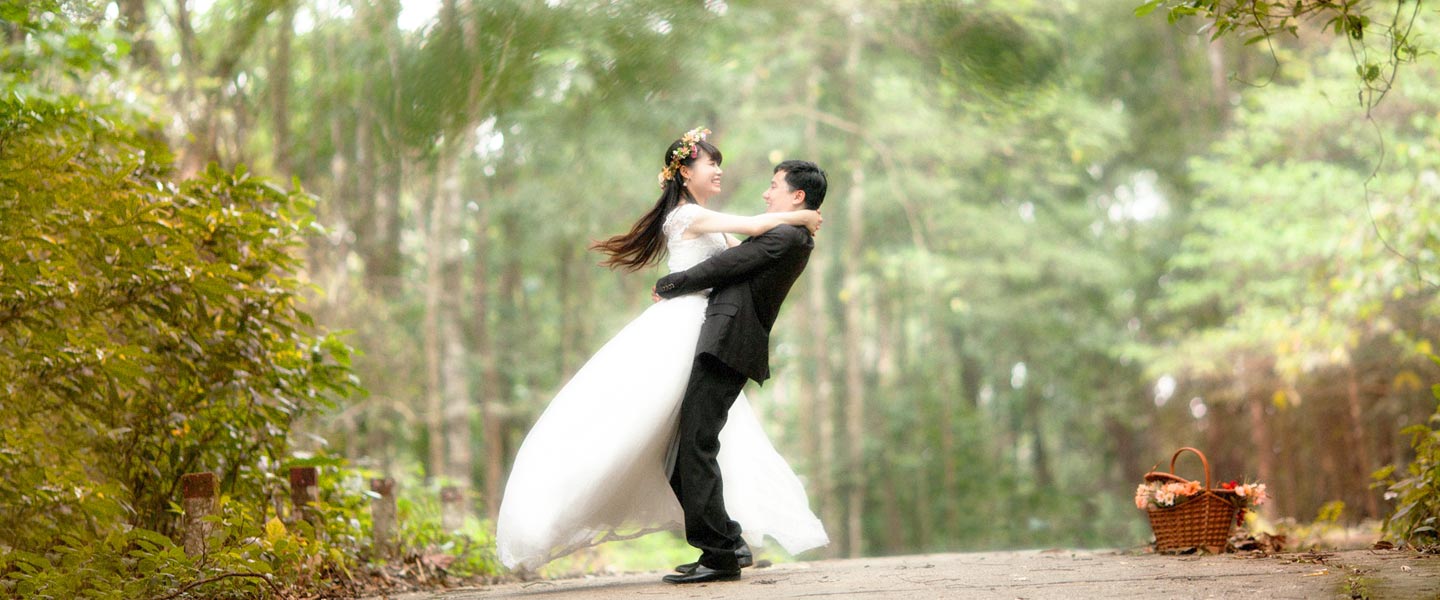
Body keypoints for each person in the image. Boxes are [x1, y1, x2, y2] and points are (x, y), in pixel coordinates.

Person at [494, 127, 829, 572]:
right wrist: (803, 218)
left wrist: (797, 223)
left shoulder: (712, 219)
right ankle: (722, 544)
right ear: (685, 172)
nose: (719, 170)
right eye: (711, 163)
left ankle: (725, 543)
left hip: (705, 332)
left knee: (693, 440)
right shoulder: (686, 216)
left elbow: (743, 254)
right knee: (670, 437)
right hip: (682, 329)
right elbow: (752, 230)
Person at [654, 159, 828, 584]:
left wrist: (670, 284)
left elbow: (722, 268)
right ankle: (728, 543)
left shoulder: (786, 236)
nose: (768, 194)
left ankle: (719, 554)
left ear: (798, 196)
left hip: (727, 342)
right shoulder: (789, 232)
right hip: (726, 341)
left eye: (774, 187)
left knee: (694, 445)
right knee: (691, 446)